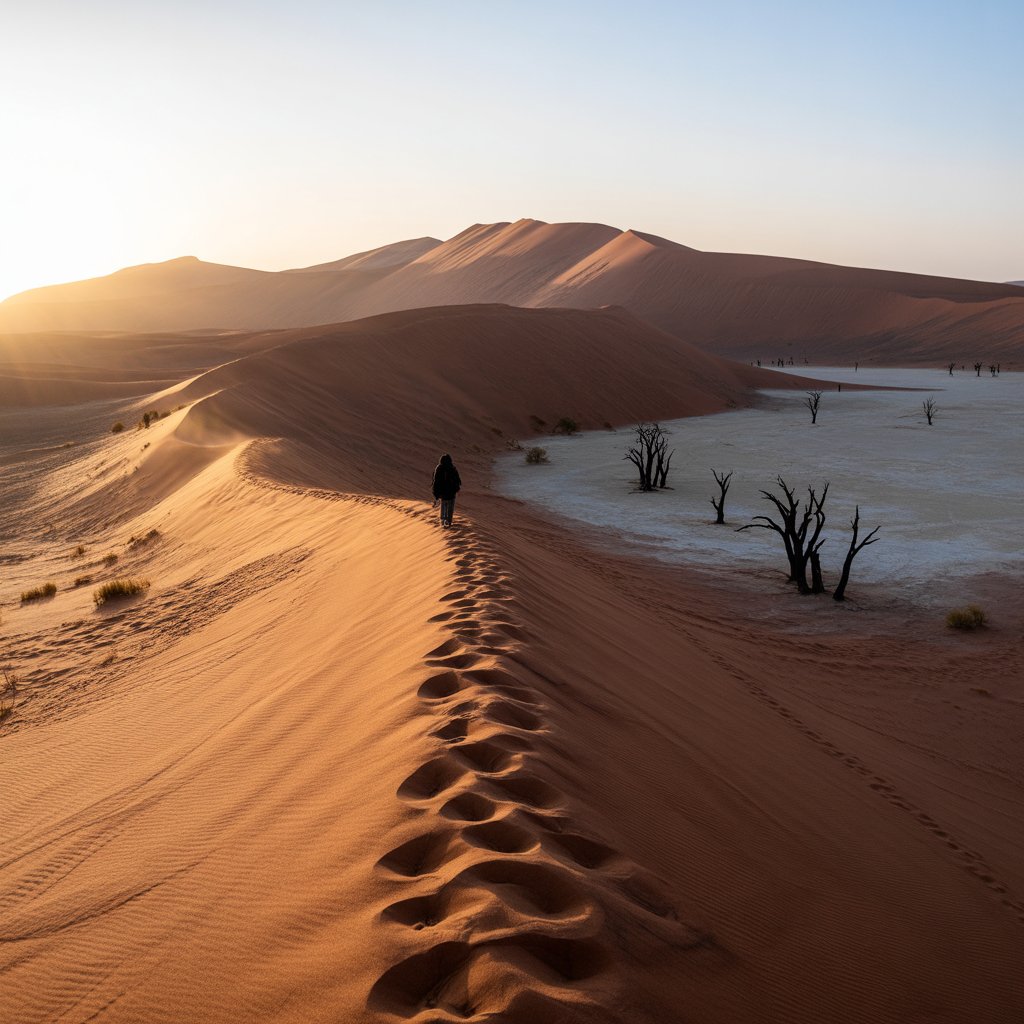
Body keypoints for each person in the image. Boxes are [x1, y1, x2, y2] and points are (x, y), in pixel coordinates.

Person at [431, 453, 461, 528]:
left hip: (443, 493)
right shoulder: (452, 468)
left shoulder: (439, 468)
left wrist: (436, 494)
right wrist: (457, 489)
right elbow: (457, 481)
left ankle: (443, 521)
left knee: (444, 505)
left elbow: (435, 482)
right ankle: (448, 521)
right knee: (450, 507)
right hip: (451, 493)